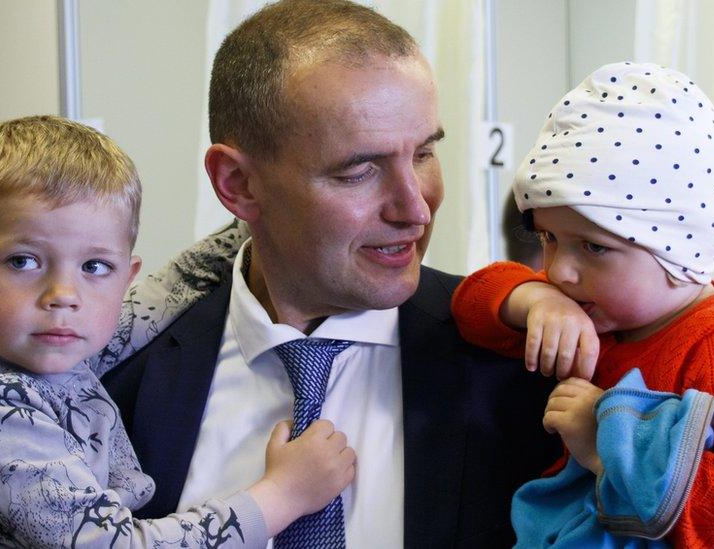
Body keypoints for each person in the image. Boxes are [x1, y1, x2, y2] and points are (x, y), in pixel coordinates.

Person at [101, 0, 561, 547]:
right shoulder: (111, 375)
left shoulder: (524, 367)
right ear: (238, 184)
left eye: (423, 155)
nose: (415, 209)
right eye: (359, 170)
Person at [0, 115, 355, 548]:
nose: (63, 294)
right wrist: (283, 495)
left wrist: (277, 203)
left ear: (125, 277)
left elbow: (175, 287)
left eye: (95, 266)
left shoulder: (48, 341)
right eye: (23, 261)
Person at [451, 62, 714, 546]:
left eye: (593, 246)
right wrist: (531, 301)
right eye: (549, 238)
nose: (559, 270)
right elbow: (465, 306)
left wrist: (608, 439)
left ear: (677, 249)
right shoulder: (586, 303)